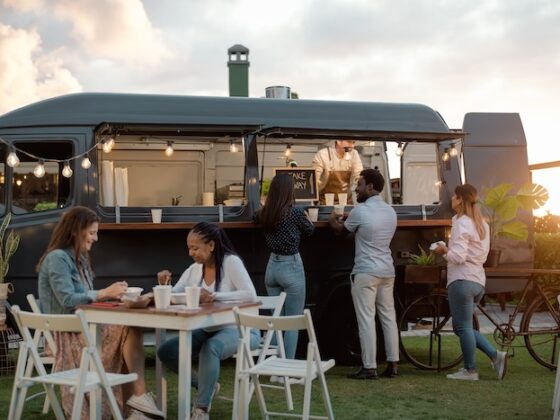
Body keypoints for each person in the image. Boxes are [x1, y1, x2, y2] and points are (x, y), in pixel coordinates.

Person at [37, 206, 163, 420]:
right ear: (76, 231)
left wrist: (113, 296)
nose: (96, 238)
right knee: (128, 329)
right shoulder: (57, 258)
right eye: (92, 232)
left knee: (128, 327)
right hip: (67, 335)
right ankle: (137, 401)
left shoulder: (80, 258)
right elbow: (67, 300)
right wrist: (105, 292)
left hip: (84, 327)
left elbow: (86, 296)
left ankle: (134, 408)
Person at [156, 222, 260, 420]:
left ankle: (201, 408)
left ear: (211, 245)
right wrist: (164, 285)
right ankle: (206, 386)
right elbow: (175, 294)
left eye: (195, 248)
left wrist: (215, 296)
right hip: (208, 327)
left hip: (242, 329)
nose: (190, 253)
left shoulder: (231, 263)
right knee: (167, 351)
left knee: (210, 347)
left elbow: (251, 295)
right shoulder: (195, 269)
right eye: (189, 248)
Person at [329, 168, 399, 379]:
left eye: (359, 185)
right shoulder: (390, 211)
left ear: (370, 187)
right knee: (388, 318)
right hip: (387, 270)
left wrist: (333, 217)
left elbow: (340, 232)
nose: (356, 189)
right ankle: (393, 365)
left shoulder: (360, 211)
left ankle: (369, 367)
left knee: (366, 319)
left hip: (366, 271)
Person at [433, 184, 508, 381]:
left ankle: (470, 370)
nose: (451, 200)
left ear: (459, 199)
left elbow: (458, 256)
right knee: (463, 327)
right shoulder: (481, 223)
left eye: (454, 197)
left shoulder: (462, 223)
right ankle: (495, 356)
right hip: (477, 281)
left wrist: (443, 250)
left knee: (463, 327)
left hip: (462, 280)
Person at [254, 173, 314, 360]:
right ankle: (285, 369)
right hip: (291, 266)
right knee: (292, 322)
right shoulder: (295, 213)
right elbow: (310, 230)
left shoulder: (263, 214)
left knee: (277, 321)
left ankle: (272, 362)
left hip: (272, 267)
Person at [312, 139, 363, 204]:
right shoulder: (323, 154)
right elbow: (314, 178)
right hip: (325, 201)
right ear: (338, 141)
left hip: (346, 201)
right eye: (349, 142)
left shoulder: (354, 153)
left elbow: (358, 173)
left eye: (353, 142)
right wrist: (314, 194)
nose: (352, 146)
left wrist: (359, 182)